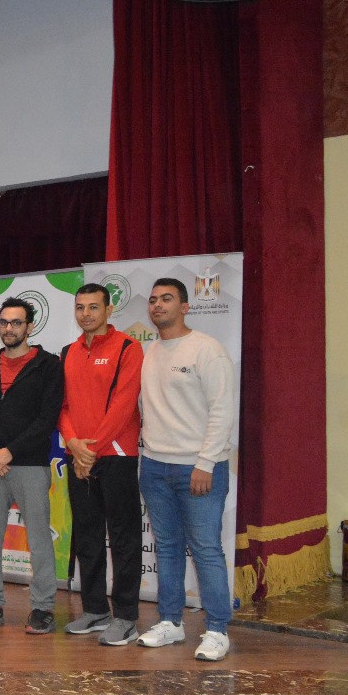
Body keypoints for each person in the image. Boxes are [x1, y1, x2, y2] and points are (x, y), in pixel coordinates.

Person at [136, 278, 237, 662]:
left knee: (206, 549)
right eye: (153, 299)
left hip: (198, 469)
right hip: (154, 467)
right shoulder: (150, 351)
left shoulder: (207, 350)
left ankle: (217, 629)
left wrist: (205, 463)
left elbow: (222, 411)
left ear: (185, 306)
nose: (157, 305)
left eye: (166, 299)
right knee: (167, 548)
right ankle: (170, 621)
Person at [0, 297, 64, 635]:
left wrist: (9, 452)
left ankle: (42, 608)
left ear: (30, 326)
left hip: (29, 465)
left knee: (38, 541)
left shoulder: (48, 365)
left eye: (16, 322)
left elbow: (47, 418)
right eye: (3, 322)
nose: (8, 328)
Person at [59, 282, 144, 646]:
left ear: (109, 310)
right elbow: (62, 407)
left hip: (115, 457)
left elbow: (124, 406)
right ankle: (95, 610)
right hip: (78, 455)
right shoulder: (68, 352)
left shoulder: (128, 347)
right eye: (80, 307)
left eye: (94, 307)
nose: (86, 314)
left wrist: (88, 452)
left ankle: (125, 617)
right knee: (88, 536)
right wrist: (73, 444)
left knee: (123, 539)